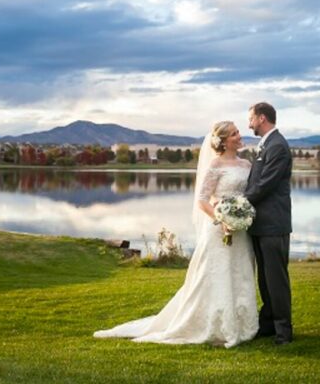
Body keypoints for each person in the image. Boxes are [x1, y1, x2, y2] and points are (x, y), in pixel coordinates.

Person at [93, 121, 258, 347]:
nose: (240, 136)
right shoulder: (215, 165)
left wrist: (239, 215)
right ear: (223, 141)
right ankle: (214, 324)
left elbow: (249, 194)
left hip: (240, 231)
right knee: (214, 276)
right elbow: (202, 200)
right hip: (219, 230)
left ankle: (242, 324)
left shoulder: (246, 164)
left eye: (239, 132)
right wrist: (222, 219)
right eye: (234, 134)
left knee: (240, 273)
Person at [245, 102, 293, 345]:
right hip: (261, 224)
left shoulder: (278, 147)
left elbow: (266, 184)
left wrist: (240, 203)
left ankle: (284, 330)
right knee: (264, 278)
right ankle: (268, 324)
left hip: (274, 223)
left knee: (276, 279)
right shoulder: (266, 145)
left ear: (262, 118)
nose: (248, 123)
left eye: (251, 118)